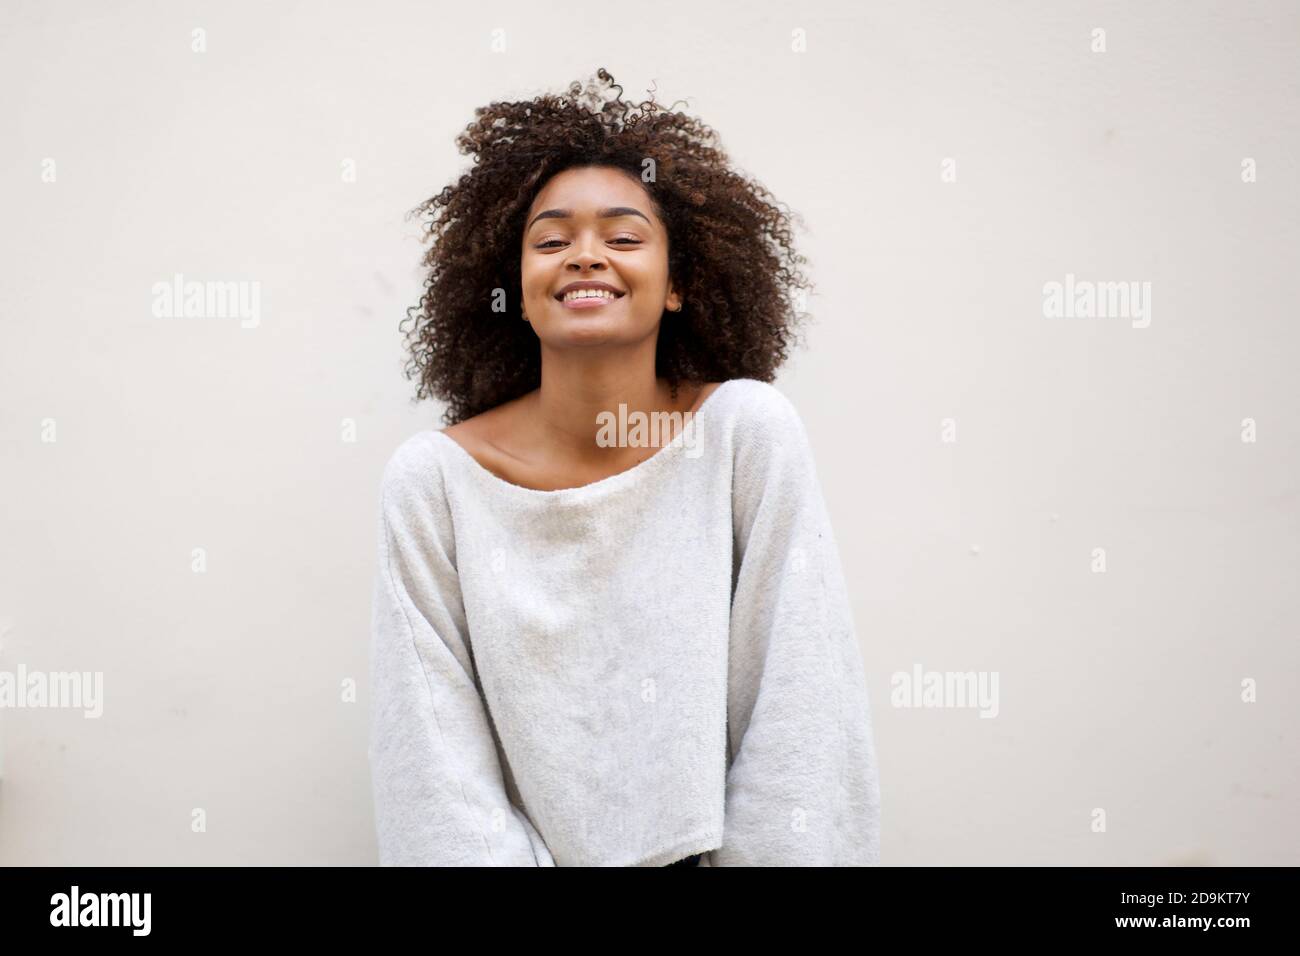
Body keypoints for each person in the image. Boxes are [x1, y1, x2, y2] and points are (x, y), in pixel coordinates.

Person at [368, 69, 881, 866]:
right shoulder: (434, 484)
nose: (584, 256)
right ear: (516, 286)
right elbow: (432, 773)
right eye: (550, 240)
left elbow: (803, 710)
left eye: (624, 235)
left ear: (679, 284)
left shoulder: (744, 436)